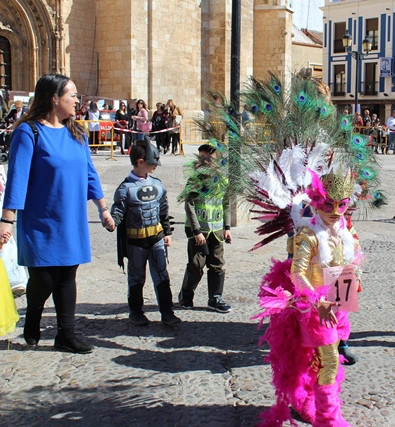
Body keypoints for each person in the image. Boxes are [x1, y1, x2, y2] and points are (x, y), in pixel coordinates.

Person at [0, 73, 115, 353]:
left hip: (71, 219)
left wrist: (102, 208)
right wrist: (7, 220)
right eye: (72, 95)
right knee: (43, 277)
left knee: (67, 275)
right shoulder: (29, 132)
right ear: (54, 98)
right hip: (40, 219)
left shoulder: (76, 133)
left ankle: (66, 334)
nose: (78, 100)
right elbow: (17, 178)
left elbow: (90, 173)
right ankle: (33, 318)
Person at [255, 166, 361, 426]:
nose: (335, 212)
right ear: (316, 202)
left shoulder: (345, 231)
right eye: (328, 205)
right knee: (330, 360)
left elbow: (349, 263)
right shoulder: (309, 235)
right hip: (314, 308)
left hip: (337, 305)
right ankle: (328, 419)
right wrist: (317, 301)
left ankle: (307, 400)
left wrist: (353, 284)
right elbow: (298, 273)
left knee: (320, 358)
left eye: (342, 205)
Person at [110, 138, 181, 326]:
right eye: (152, 163)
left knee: (162, 275)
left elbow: (163, 211)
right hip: (135, 242)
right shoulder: (125, 189)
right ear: (141, 162)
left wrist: (167, 233)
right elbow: (118, 213)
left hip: (156, 238)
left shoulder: (158, 185)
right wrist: (111, 221)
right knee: (136, 278)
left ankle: (167, 312)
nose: (156, 166)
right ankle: (136, 312)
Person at [178, 143, 232, 313]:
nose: (206, 161)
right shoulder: (195, 180)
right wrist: (196, 231)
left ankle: (215, 298)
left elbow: (226, 204)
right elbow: (190, 205)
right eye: (203, 157)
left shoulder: (223, 180)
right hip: (198, 231)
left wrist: (227, 227)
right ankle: (186, 295)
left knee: (217, 264)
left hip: (216, 231)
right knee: (196, 264)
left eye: (210, 157)